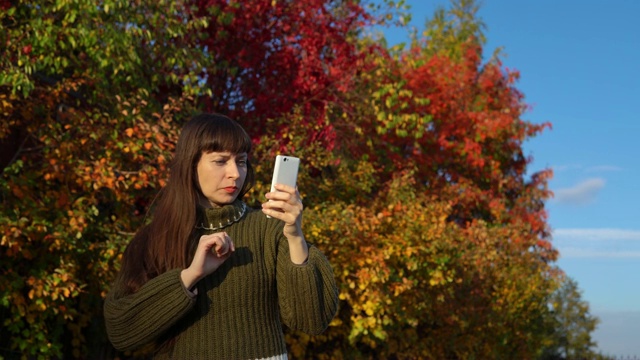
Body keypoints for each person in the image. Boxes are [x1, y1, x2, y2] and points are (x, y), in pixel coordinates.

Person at [103, 113, 339, 359]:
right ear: (190, 164)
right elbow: (121, 331)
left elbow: (313, 320)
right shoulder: (154, 238)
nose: (235, 173)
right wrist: (190, 275)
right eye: (220, 161)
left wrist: (295, 236)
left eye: (241, 161)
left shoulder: (269, 228)